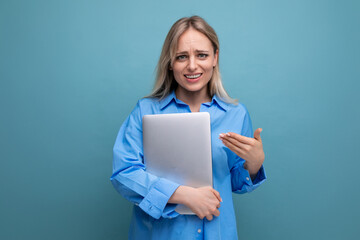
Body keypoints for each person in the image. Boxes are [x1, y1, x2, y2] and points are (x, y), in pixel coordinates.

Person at [111, 16, 266, 240]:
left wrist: (254, 164)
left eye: (201, 55)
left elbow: (234, 181)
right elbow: (124, 174)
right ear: (170, 62)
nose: (192, 66)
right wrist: (182, 195)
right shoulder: (146, 111)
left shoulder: (236, 114)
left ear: (215, 57)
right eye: (182, 57)